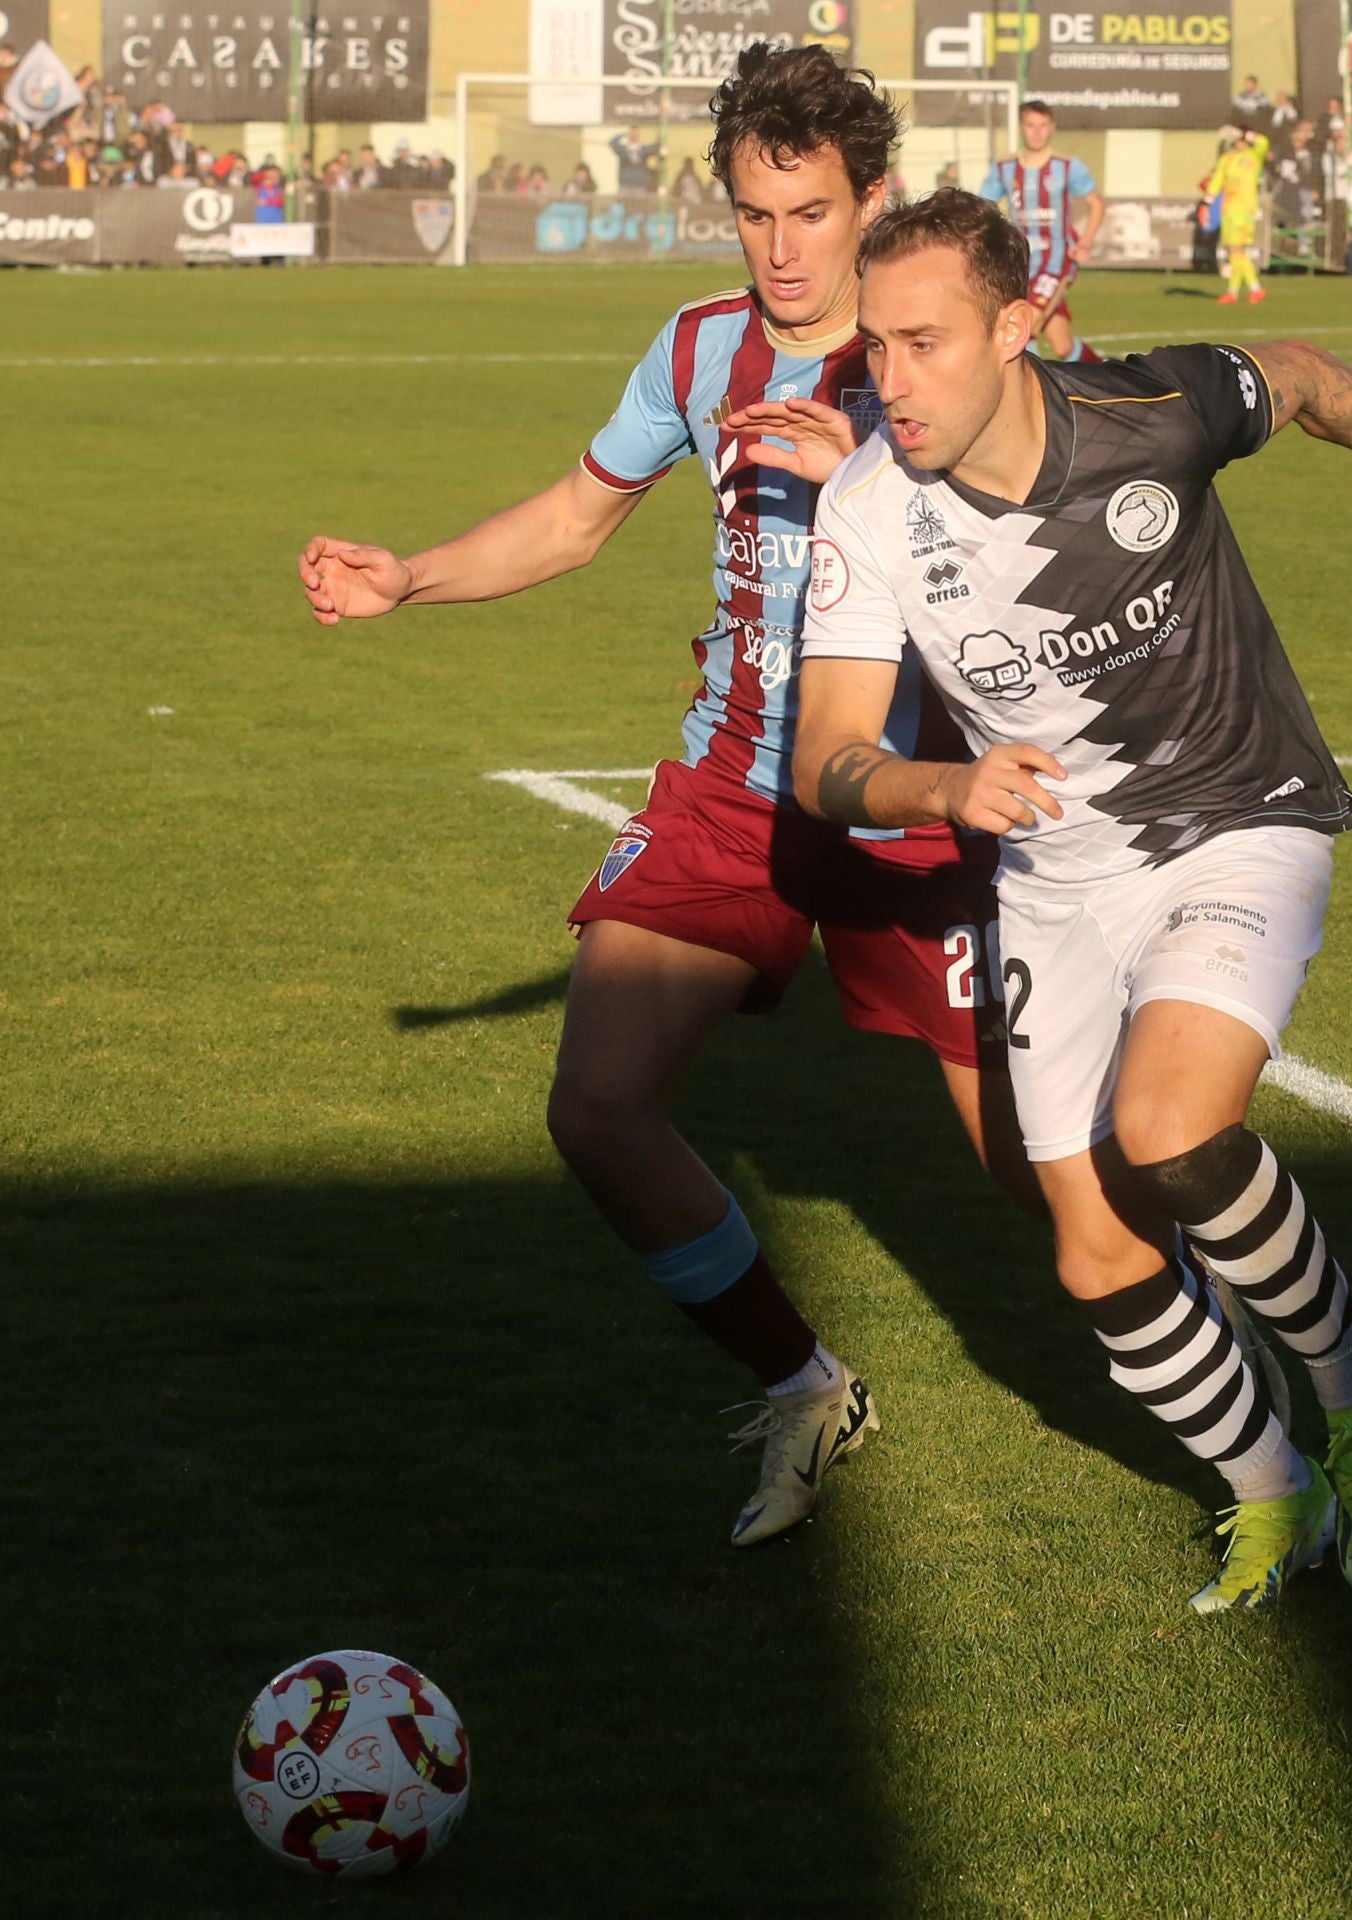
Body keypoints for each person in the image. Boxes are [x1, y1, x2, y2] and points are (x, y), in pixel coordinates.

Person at [296, 47, 1027, 1552]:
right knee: (600, 1108)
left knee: (1047, 1183)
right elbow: (578, 515)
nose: (780, 249)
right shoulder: (699, 350)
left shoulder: (929, 357)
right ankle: (807, 1386)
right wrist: (412, 576)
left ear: (871, 198)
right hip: (734, 789)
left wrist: (877, 487)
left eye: (810, 212)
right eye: (754, 213)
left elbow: (1045, 557)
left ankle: (1301, 1383)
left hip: (916, 801)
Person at [792, 188, 1352, 1611]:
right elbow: (827, 758)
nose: (887, 381)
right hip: (1053, 875)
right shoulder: (865, 508)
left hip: (1238, 817)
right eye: (874, 348)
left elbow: (1298, 373)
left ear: (1021, 326)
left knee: (1171, 1130)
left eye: (922, 344)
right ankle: (1269, 1490)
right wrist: (938, 794)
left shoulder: (1152, 411)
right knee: (1095, 1250)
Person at [979, 99, 1104, 363]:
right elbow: (983, 206)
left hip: (1056, 263)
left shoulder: (1067, 166)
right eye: (1031, 125)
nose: (1037, 132)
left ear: (1052, 128)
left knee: (1026, 325)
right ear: (1022, 128)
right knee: (1063, 346)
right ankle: (1104, 373)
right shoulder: (1005, 168)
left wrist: (1084, 244)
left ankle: (1029, 391)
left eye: (1043, 125)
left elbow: (1096, 204)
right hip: (1020, 263)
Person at [1207, 127, 1270, 304]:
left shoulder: (1253, 156)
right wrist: (1208, 199)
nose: (1239, 142)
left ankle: (1245, 290)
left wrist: (1244, 132)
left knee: (1236, 249)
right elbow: (1217, 179)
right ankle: (1242, 291)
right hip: (1228, 209)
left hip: (1245, 209)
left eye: (1241, 139)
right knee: (1236, 251)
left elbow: (1264, 142)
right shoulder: (1227, 159)